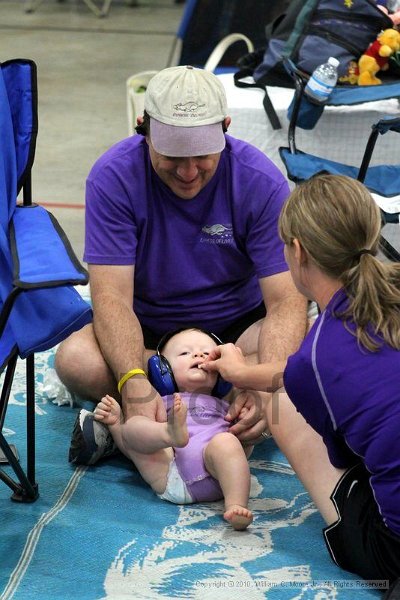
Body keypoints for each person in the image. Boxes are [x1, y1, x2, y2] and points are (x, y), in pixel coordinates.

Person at [55, 64, 307, 466]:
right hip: (151, 338)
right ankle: (202, 414)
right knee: (75, 360)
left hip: (235, 337)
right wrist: (134, 380)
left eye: (203, 157)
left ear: (226, 128)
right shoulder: (113, 177)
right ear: (144, 129)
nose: (188, 173)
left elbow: (286, 302)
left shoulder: (260, 179)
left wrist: (264, 386)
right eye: (172, 156)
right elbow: (112, 299)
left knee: (314, 345)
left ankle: (138, 428)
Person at [201, 174, 400, 592]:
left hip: (393, 548)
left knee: (284, 406)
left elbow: (345, 456)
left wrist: (255, 377)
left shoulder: (315, 358)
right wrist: (243, 372)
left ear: (296, 251)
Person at [92, 328, 254, 530]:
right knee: (136, 426)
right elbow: (135, 449)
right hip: (171, 473)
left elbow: (244, 444)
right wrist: (117, 425)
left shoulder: (226, 406)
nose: (198, 355)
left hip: (220, 477)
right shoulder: (157, 402)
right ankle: (168, 433)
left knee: (227, 442)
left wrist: (245, 423)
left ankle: (236, 505)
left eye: (208, 353)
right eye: (185, 353)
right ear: (162, 370)